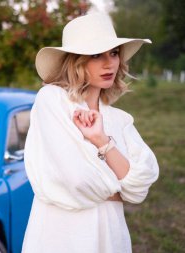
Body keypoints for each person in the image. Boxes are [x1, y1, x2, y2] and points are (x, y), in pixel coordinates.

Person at [22, 13, 159, 253]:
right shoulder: (53, 100)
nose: (109, 63)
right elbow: (75, 180)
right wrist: (121, 186)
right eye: (96, 55)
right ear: (76, 61)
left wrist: (101, 140)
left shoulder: (120, 120)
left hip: (111, 235)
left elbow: (140, 187)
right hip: (62, 236)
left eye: (114, 53)